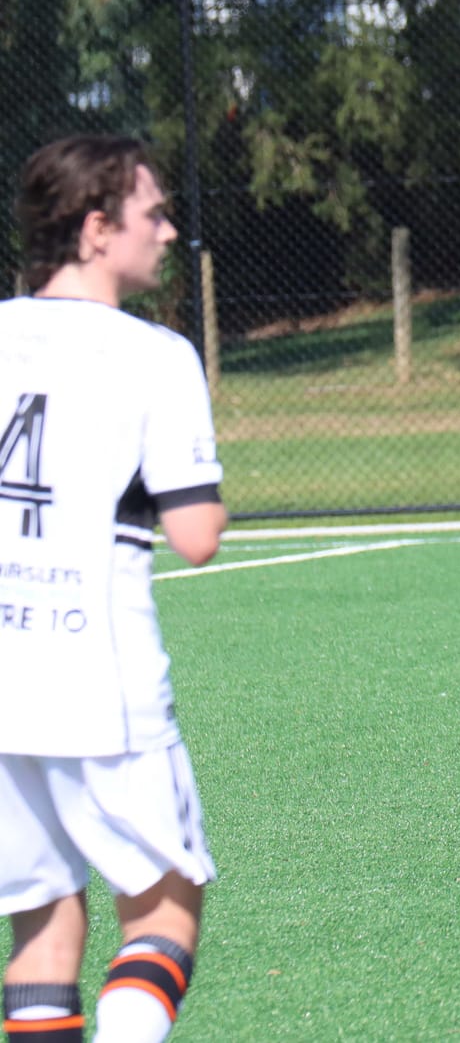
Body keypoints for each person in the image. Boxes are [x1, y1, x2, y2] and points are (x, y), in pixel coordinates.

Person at [0, 136, 227, 1043]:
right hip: (99, 680)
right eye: (154, 213)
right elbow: (196, 536)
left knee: (43, 926)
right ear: (97, 228)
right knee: (166, 907)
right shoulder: (155, 355)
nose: (169, 232)